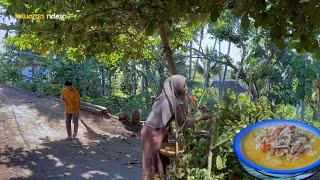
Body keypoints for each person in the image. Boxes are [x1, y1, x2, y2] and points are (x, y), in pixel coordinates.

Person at [141, 75, 212, 180]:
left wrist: (192, 103)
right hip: (152, 133)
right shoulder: (175, 102)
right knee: (151, 165)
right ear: (176, 87)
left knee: (161, 161)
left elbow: (183, 109)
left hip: (152, 130)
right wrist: (202, 117)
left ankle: (159, 177)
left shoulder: (165, 96)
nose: (186, 88)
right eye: (184, 86)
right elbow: (183, 124)